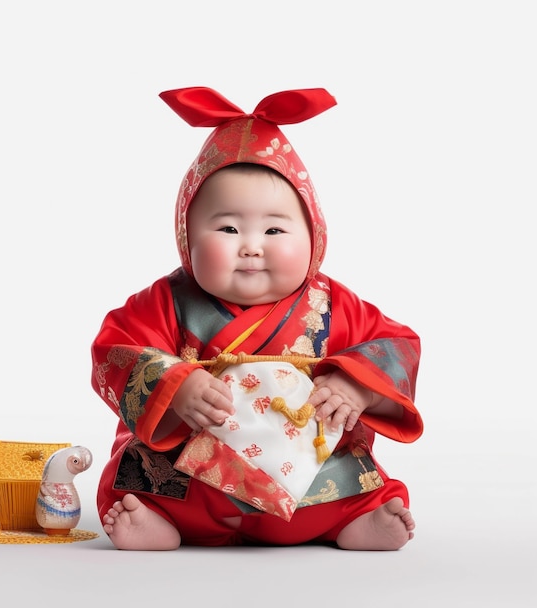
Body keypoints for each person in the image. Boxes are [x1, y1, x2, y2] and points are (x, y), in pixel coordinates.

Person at [91, 86, 423, 551]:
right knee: (137, 476)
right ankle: (159, 520)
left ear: (314, 235)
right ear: (187, 235)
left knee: (349, 479)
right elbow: (115, 347)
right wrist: (176, 385)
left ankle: (351, 519)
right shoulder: (165, 301)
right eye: (227, 228)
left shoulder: (333, 304)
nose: (251, 245)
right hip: (194, 473)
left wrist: (356, 386)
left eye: (275, 229)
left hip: (305, 469)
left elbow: (398, 344)